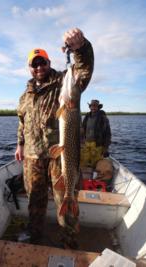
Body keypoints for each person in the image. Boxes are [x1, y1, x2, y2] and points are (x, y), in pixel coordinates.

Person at [15, 28, 94, 249]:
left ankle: (69, 242)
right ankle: (34, 236)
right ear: (30, 68)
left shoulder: (62, 82)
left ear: (49, 63)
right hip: (32, 157)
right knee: (34, 203)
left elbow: (83, 70)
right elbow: (22, 122)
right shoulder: (25, 96)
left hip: (59, 154)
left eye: (43, 62)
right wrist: (19, 144)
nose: (39, 67)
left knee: (65, 201)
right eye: (35, 63)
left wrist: (80, 48)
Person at [80, 99, 111, 170]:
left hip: (97, 145)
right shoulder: (87, 116)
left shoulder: (103, 117)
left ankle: (94, 176)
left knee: (95, 163)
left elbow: (108, 133)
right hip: (86, 143)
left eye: (95, 106)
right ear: (90, 107)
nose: (93, 107)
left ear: (98, 107)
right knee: (84, 162)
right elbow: (82, 129)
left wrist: (106, 147)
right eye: (92, 106)